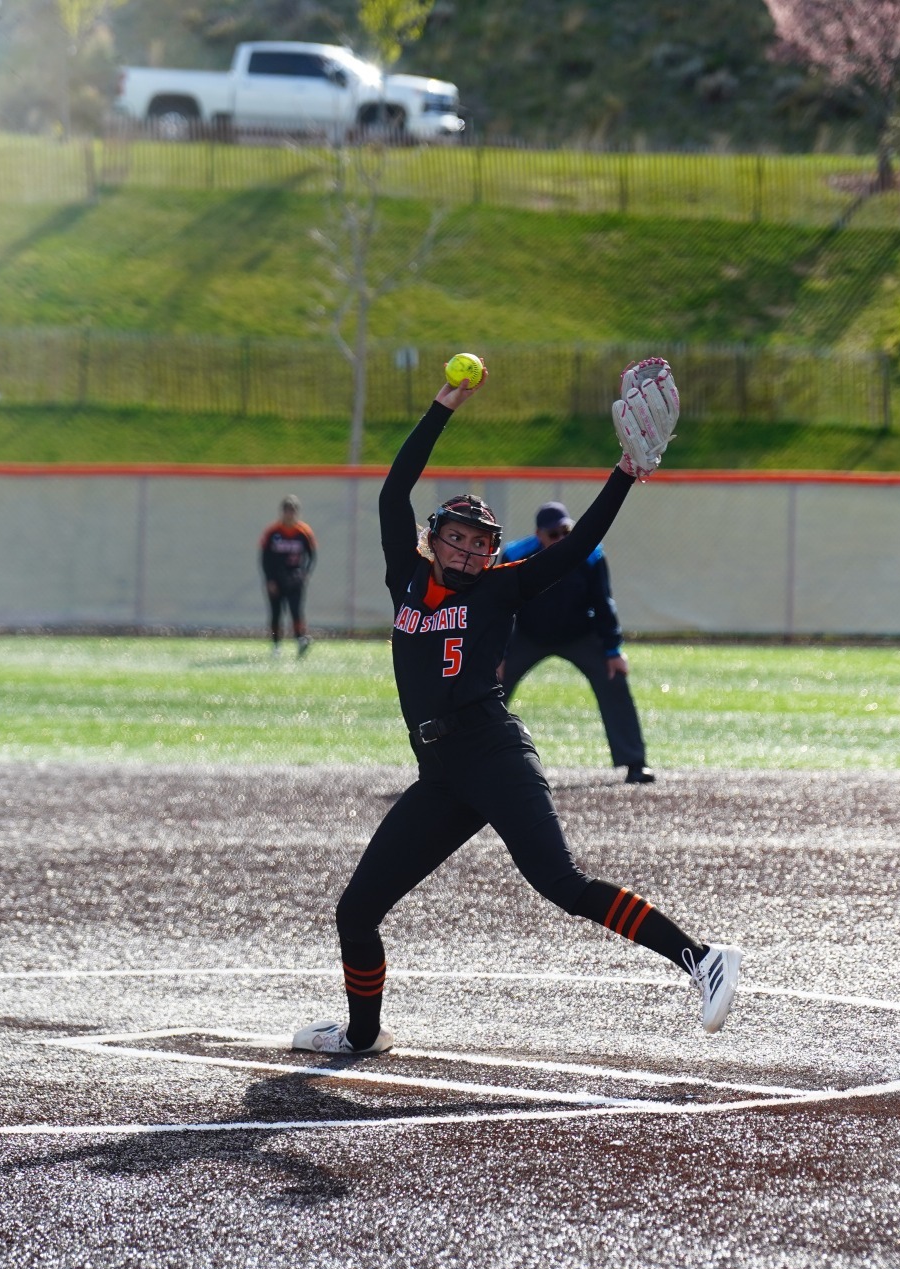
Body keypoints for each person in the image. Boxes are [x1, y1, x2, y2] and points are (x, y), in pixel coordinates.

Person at [292, 357, 738, 1057]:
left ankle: (701, 958)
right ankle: (361, 1034)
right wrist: (443, 404)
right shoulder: (405, 576)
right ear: (432, 539)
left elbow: (582, 544)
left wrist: (624, 472)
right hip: (440, 772)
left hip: (494, 752)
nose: (467, 551)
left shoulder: (500, 588)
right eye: (457, 538)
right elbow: (393, 490)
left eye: (479, 544)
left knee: (561, 882)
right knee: (357, 910)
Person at [500, 501, 653, 784]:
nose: (561, 539)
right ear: (539, 535)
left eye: (566, 532)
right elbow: (503, 608)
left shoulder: (590, 554)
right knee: (488, 687)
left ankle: (634, 761)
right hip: (528, 636)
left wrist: (613, 651)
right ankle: (472, 761)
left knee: (614, 679)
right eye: (553, 534)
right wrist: (498, 655)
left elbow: (604, 602)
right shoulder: (515, 555)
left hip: (580, 634)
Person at [260, 496, 318, 657]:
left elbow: (312, 556)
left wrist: (305, 573)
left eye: (293, 511)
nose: (290, 515)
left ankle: (300, 640)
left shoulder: (303, 532)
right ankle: (276, 645)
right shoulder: (273, 532)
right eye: (287, 511)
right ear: (282, 512)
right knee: (276, 613)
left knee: (296, 611)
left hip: (294, 579)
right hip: (276, 579)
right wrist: (269, 579)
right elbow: (265, 558)